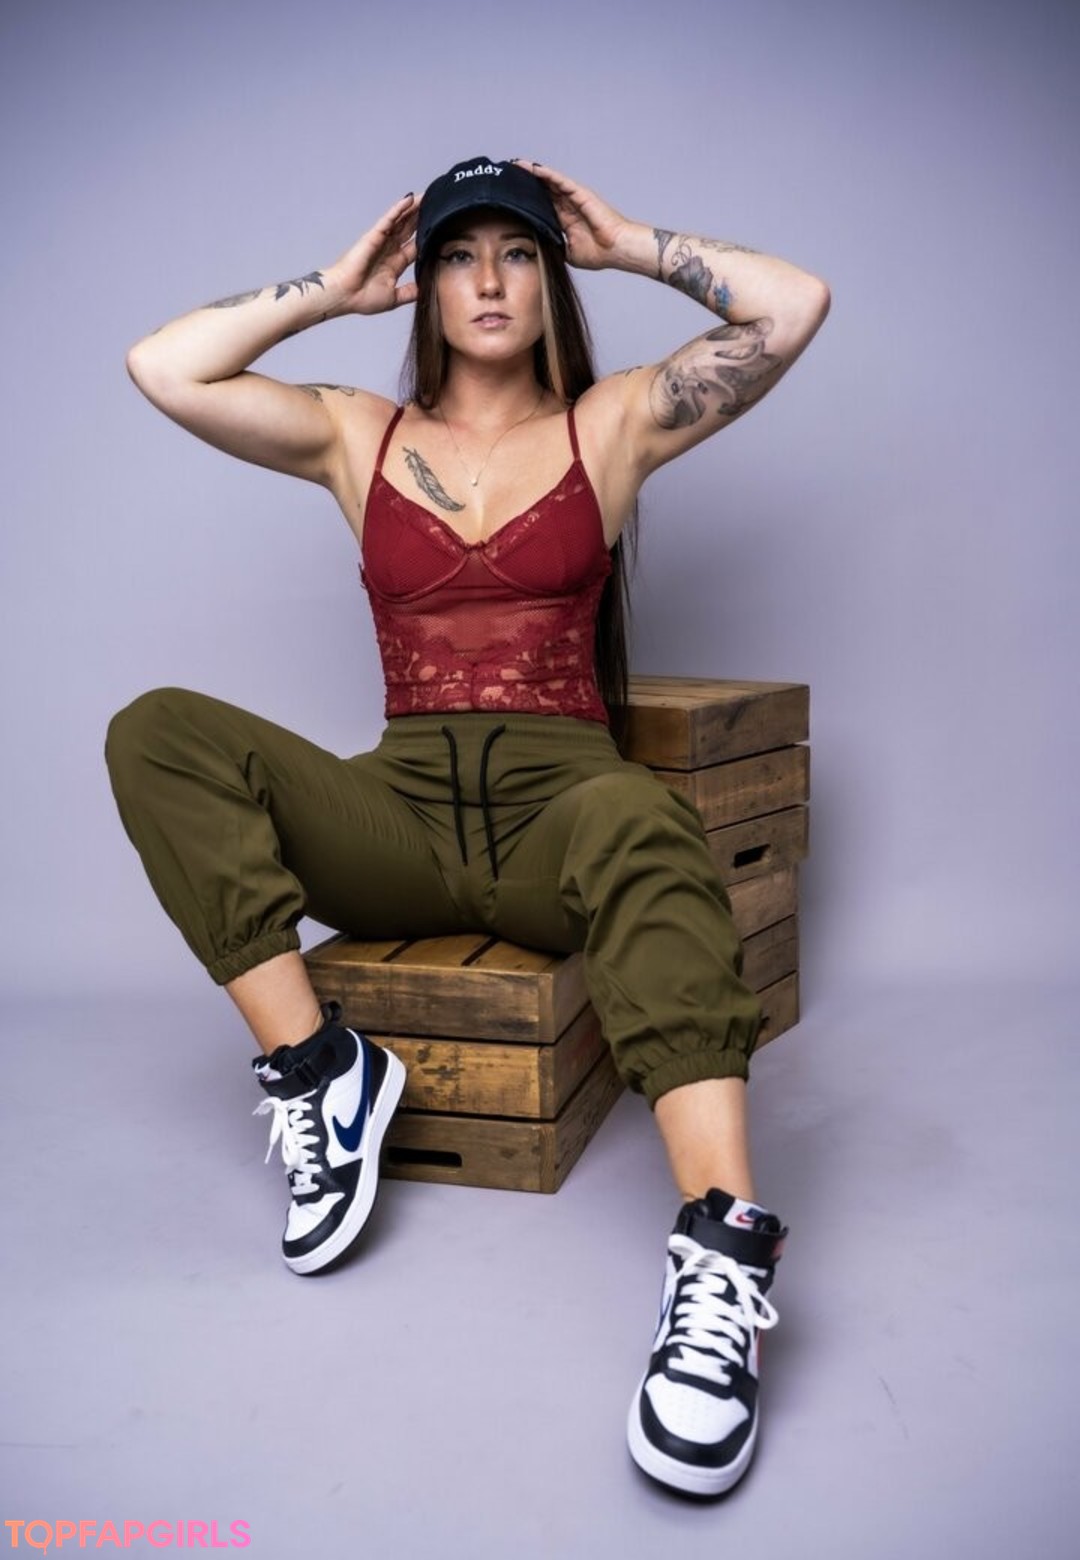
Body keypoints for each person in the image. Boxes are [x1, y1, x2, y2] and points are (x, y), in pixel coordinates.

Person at [106, 155, 829, 1497]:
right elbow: (165, 365)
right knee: (157, 731)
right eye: (457, 254)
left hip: (563, 815)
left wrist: (632, 244)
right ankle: (321, 1071)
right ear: (424, 283)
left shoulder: (612, 424)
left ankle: (722, 1253)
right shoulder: (355, 436)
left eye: (516, 253)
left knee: (642, 822)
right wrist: (330, 291)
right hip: (401, 815)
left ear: (551, 278)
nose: (488, 280)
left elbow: (791, 308)